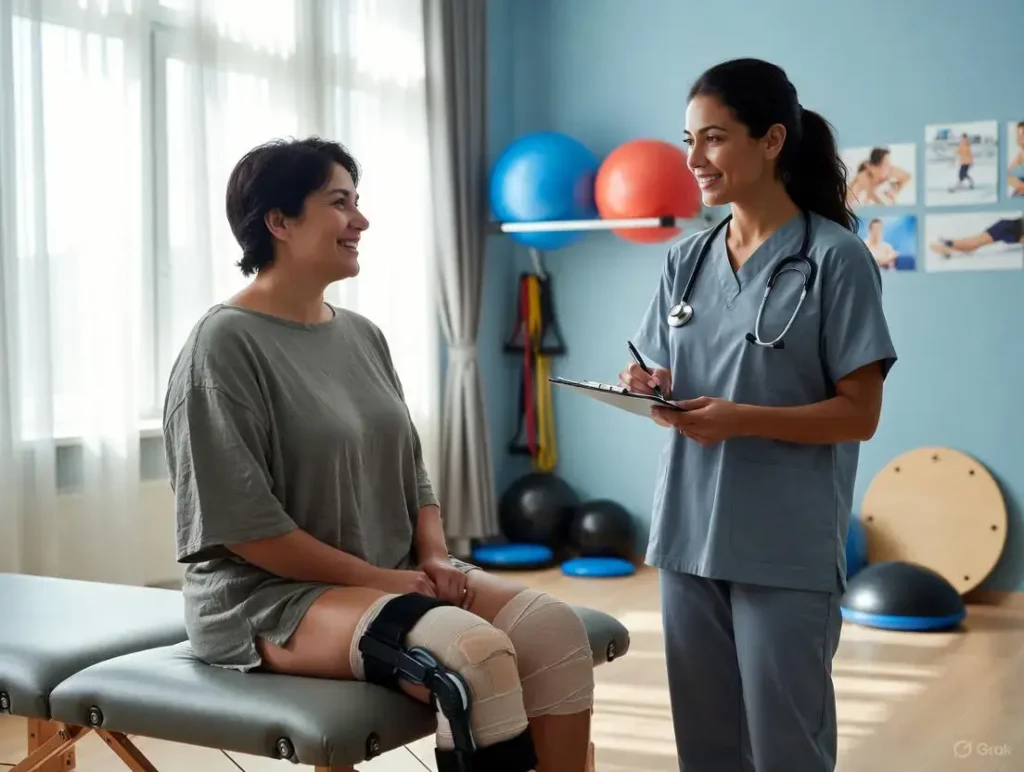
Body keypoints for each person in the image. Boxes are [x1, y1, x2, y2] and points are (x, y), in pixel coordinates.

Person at [162, 137, 596, 772]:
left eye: (357, 202)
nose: (360, 221)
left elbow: (412, 471)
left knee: (554, 630)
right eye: (340, 204)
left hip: (389, 573)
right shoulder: (221, 347)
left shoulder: (362, 335)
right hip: (268, 599)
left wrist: (432, 556)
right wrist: (387, 581)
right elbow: (248, 532)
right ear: (279, 223)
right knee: (471, 654)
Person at [619, 58, 897, 772]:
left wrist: (740, 418)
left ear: (771, 140)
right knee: (706, 749)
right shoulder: (686, 260)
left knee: (785, 748)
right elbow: (670, 374)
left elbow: (858, 414)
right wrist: (649, 385)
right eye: (689, 140)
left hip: (783, 546)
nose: (693, 160)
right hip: (686, 538)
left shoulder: (835, 259)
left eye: (713, 138)